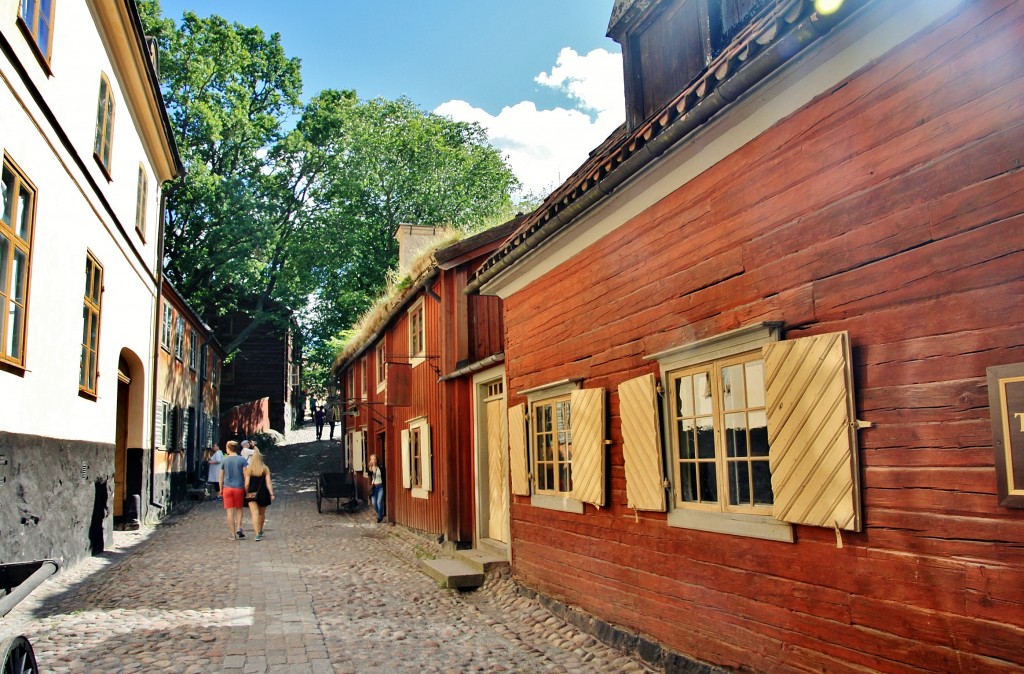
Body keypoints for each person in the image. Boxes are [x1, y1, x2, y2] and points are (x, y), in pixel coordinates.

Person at [244, 448, 275, 541]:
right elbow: (268, 482)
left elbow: (247, 483)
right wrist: (271, 493)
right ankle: (260, 529)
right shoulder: (265, 468)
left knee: (254, 514)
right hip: (263, 493)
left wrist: (246, 492)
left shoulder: (249, 469)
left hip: (251, 493)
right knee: (261, 513)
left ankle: (256, 534)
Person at [219, 440, 248, 540]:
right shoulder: (242, 460)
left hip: (227, 488)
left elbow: (221, 477)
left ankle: (232, 534)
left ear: (228, 448)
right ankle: (239, 527)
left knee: (229, 511)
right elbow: (246, 475)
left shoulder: (224, 460)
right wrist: (246, 487)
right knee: (239, 509)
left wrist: (220, 489)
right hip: (239, 488)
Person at [366, 453, 385, 523]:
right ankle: (380, 513)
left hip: (380, 487)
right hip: (374, 487)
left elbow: (384, 476)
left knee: (379, 502)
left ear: (376, 460)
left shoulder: (380, 468)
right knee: (374, 503)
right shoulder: (370, 469)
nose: (373, 461)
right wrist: (370, 469)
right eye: (372, 459)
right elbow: (369, 477)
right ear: (370, 460)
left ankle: (380, 516)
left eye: (374, 459)